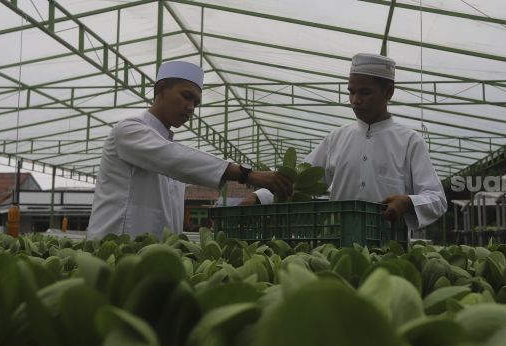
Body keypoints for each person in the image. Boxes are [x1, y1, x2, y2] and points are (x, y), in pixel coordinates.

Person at [87, 61, 292, 239]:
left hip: (152, 257)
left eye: (196, 102)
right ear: (161, 89)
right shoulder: (128, 130)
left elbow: (177, 163)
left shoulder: (170, 148)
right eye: (186, 96)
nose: (191, 107)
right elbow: (173, 158)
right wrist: (247, 174)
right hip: (113, 248)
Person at [242, 53, 446, 230]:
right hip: (338, 245)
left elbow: (437, 199)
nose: (355, 100)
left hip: (390, 245)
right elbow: (300, 182)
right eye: (351, 92)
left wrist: (408, 202)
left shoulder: (410, 141)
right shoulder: (336, 138)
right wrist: (259, 197)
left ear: (388, 92)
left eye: (364, 92)